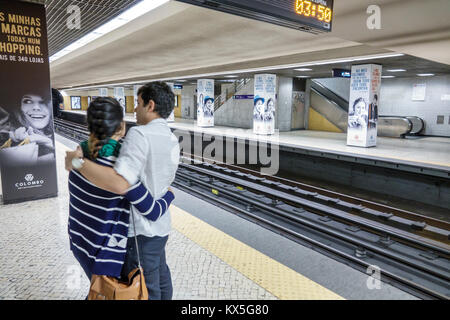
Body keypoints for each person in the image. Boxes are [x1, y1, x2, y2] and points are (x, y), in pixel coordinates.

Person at [65, 82, 180, 300]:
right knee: (151, 284)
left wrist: (77, 161)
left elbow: (113, 180)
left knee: (151, 279)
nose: (134, 108)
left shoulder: (80, 157)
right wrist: (169, 195)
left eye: (137, 103)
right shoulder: (171, 139)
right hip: (132, 238)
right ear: (121, 128)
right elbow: (145, 204)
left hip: (82, 241)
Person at [0, 89, 55, 165]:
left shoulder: (51, 135)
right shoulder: (7, 135)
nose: (36, 107)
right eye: (27, 101)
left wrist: (50, 149)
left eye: (43, 102)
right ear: (19, 107)